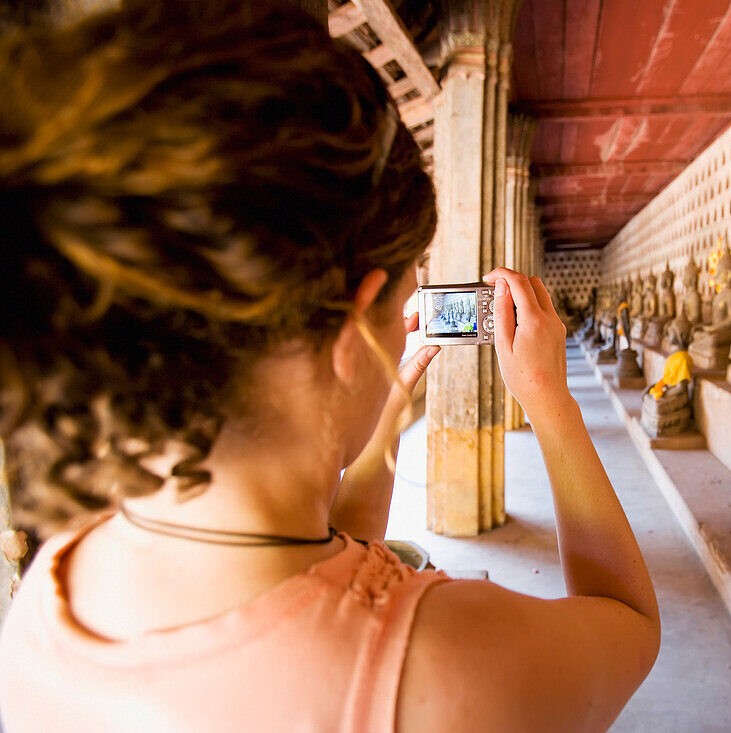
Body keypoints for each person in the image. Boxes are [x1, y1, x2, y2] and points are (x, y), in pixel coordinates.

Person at [0, 3, 660, 731]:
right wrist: (548, 399)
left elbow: (327, 559)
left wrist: (385, 405)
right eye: (404, 296)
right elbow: (627, 621)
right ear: (355, 322)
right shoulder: (443, 668)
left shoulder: (54, 580)